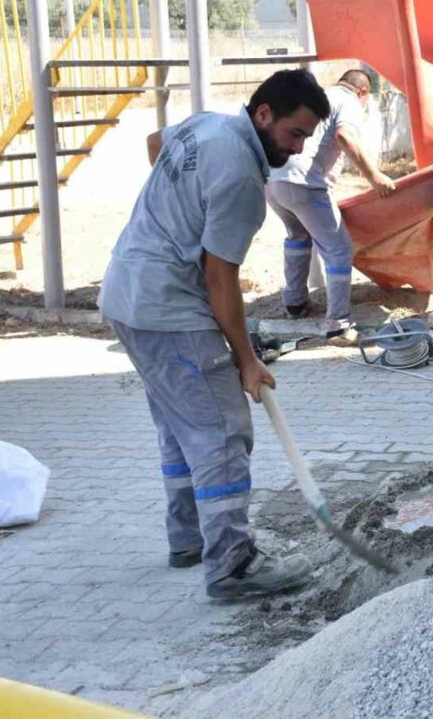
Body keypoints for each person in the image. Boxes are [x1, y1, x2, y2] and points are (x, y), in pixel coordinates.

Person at [99, 69, 330, 599]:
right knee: (222, 431)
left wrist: (177, 208)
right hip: (169, 308)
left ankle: (188, 539)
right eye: (294, 134)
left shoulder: (206, 125)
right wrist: (246, 360)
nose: (296, 149)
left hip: (127, 294)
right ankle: (231, 564)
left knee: (182, 425)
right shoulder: (242, 180)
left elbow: (156, 143)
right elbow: (219, 277)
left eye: (307, 139)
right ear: (264, 113)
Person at [266, 69, 395, 332]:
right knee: (338, 250)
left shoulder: (320, 96)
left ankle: (295, 304)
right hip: (304, 182)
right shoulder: (349, 102)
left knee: (297, 236)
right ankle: (337, 321)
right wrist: (375, 177)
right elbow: (345, 136)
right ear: (362, 92)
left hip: (273, 179)